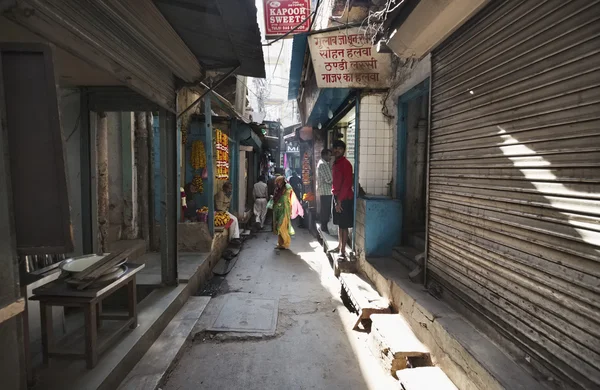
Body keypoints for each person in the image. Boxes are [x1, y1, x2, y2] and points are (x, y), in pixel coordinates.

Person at [331, 140, 354, 259]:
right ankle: (340, 246)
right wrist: (336, 199)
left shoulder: (346, 164)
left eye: (340, 148)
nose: (337, 150)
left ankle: (343, 251)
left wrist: (339, 200)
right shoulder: (335, 163)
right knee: (340, 225)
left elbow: (346, 184)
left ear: (343, 150)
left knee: (344, 226)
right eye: (335, 148)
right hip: (337, 197)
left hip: (344, 198)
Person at [272, 176, 303, 250]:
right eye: (277, 183)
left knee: (281, 226)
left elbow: (287, 196)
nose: (278, 184)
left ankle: (286, 243)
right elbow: (276, 197)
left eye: (279, 182)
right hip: (278, 210)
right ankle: (280, 243)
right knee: (278, 228)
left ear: (282, 181)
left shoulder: (287, 187)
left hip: (285, 210)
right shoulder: (278, 189)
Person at [316, 149, 333, 234]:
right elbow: (329, 179)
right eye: (329, 155)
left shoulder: (323, 163)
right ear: (325, 155)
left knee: (325, 209)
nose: (330, 157)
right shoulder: (323, 164)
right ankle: (324, 226)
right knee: (326, 209)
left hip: (325, 190)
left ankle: (324, 226)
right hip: (326, 191)